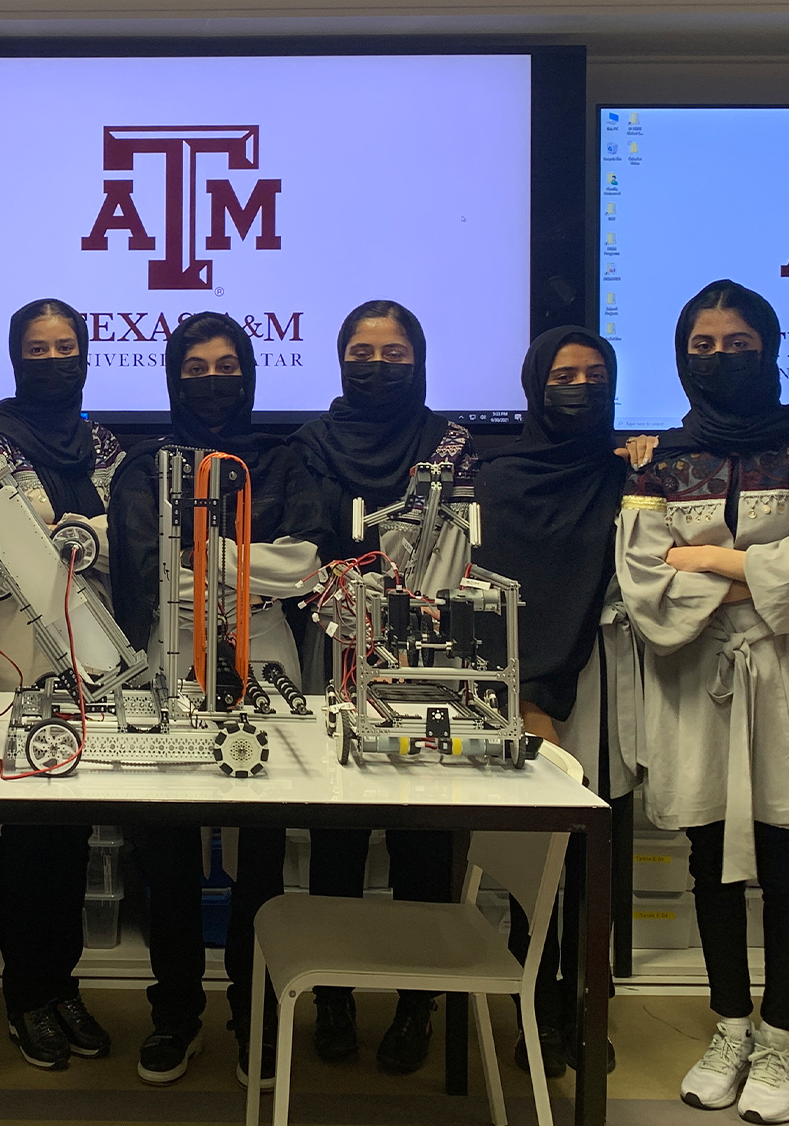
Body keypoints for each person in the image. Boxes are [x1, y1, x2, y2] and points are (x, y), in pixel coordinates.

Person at [618, 280, 789, 1125]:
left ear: (768, 346)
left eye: (737, 343)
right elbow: (647, 576)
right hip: (696, 676)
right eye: (702, 346)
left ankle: (784, 1035)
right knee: (706, 856)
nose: (719, 358)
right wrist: (762, 569)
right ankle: (731, 1024)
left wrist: (721, 566)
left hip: (780, 670)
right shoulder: (666, 460)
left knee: (782, 853)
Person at [108, 312, 325, 1088]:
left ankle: (253, 1017)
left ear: (250, 370)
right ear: (172, 375)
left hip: (264, 655)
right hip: (168, 662)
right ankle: (175, 1013)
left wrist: (206, 556)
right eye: (194, 366)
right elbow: (147, 572)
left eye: (225, 364)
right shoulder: (143, 466)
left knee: (258, 853)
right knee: (166, 852)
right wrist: (238, 564)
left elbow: (303, 564)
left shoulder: (287, 458)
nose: (211, 379)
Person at [289, 300, 476, 1076]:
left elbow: (458, 545)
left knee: (420, 834)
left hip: (426, 655)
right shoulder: (309, 443)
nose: (377, 365)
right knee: (335, 829)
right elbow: (299, 539)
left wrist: (394, 593)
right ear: (339, 361)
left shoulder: (453, 443)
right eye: (362, 353)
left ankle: (416, 1002)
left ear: (419, 358)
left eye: (394, 353)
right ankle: (332, 996)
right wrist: (344, 596)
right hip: (330, 647)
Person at [0, 298, 125, 1070]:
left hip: (93, 647)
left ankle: (63, 984)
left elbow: (117, 528)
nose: (53, 361)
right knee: (28, 828)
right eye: (38, 349)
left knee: (74, 828)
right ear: (15, 357)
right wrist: (81, 531)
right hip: (21, 649)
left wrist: (76, 531)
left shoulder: (102, 439)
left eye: (66, 348)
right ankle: (24, 995)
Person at [473, 326, 636, 1079]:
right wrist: (531, 687)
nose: (579, 386)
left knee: (593, 863)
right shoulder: (498, 474)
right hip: (517, 690)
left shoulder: (629, 472)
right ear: (535, 384)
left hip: (600, 677)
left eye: (594, 373)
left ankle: (584, 1008)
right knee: (531, 861)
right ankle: (533, 1010)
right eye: (563, 374)